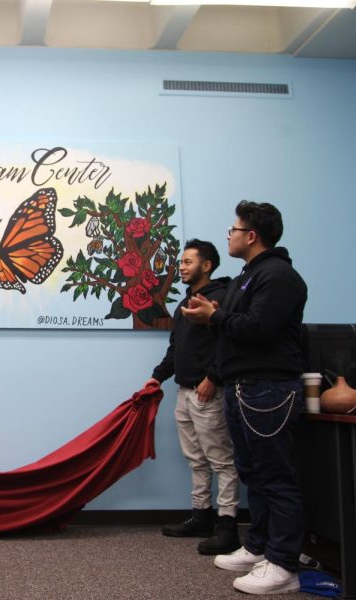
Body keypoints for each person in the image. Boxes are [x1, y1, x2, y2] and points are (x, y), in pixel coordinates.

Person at [182, 201, 307, 595]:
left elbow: (259, 328)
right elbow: (234, 322)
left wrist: (213, 317)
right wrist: (215, 311)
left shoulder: (278, 275)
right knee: (254, 473)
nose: (229, 235)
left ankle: (284, 564)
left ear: (251, 235)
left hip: (267, 388)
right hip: (242, 387)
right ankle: (258, 547)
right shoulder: (247, 277)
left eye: (233, 229)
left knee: (276, 478)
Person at [146, 239, 240, 556]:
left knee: (221, 460)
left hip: (207, 392)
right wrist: (157, 377)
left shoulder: (223, 299)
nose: (181, 267)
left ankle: (227, 526)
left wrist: (213, 377)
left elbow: (229, 342)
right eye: (181, 262)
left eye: (187, 262)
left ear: (207, 265)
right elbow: (176, 350)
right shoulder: (184, 304)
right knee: (196, 460)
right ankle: (201, 516)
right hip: (184, 393)